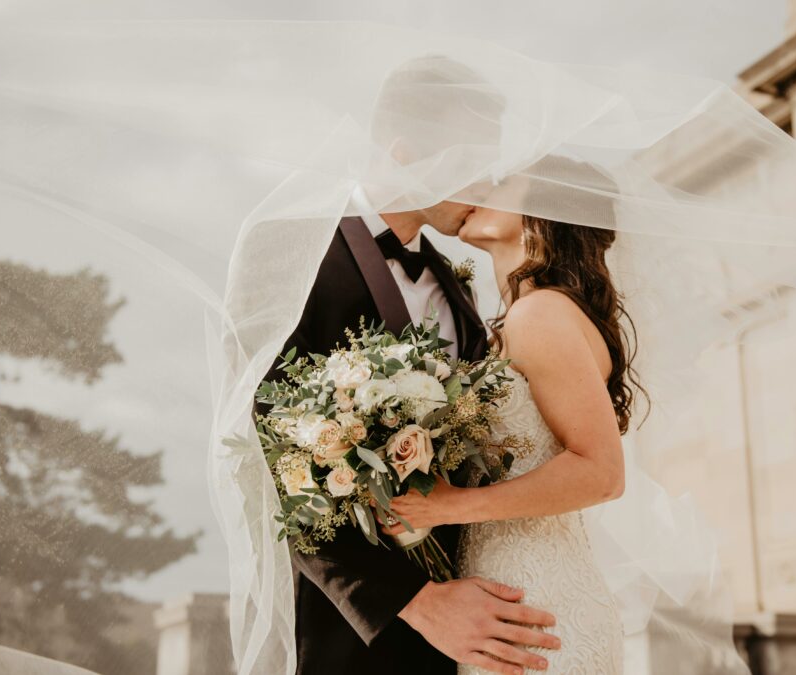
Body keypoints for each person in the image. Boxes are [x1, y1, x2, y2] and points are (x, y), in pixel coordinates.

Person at [262, 57, 561, 675]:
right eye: (470, 164)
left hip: (479, 630)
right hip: (354, 638)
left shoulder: (460, 291)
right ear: (403, 153)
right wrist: (418, 604)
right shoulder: (289, 253)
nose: (483, 186)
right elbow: (268, 461)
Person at [383, 164, 637, 674]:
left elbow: (602, 472)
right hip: (506, 595)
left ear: (543, 213)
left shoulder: (540, 314)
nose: (473, 185)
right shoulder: (515, 318)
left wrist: (451, 507)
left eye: (497, 182)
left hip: (536, 600)